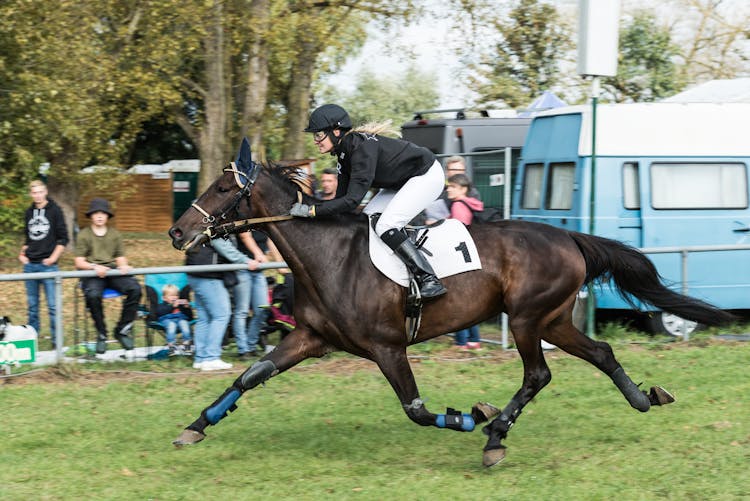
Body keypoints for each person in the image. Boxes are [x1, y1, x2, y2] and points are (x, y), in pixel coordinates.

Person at [291, 103, 446, 299]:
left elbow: (352, 201)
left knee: (386, 225)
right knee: (367, 220)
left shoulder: (361, 149)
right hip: (402, 182)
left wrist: (312, 211)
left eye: (319, 134)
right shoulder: (344, 153)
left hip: (427, 175)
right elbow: (341, 202)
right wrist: (313, 212)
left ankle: (428, 278)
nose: (315, 140)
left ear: (336, 132)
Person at [73, 198, 141, 355]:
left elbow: (120, 257)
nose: (99, 216)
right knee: (93, 295)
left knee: (135, 288)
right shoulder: (84, 235)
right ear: (91, 216)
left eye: (103, 213)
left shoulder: (114, 234)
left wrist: (124, 265)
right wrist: (94, 267)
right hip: (92, 273)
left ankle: (122, 330)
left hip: (112, 271)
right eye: (96, 213)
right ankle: (101, 334)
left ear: (107, 216)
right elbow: (79, 261)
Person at [19, 180, 69, 348]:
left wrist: (53, 258)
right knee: (33, 307)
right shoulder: (28, 212)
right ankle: (32, 342)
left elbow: (63, 238)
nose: (37, 195)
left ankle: (57, 343)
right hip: (30, 266)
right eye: (34, 193)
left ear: (45, 192)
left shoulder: (55, 211)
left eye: (40, 192)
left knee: (53, 307)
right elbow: (28, 239)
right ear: (30, 194)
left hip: (49, 265)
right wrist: (22, 254)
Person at [212, 231, 268, 361]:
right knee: (241, 310)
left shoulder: (263, 221)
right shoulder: (244, 215)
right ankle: (243, 349)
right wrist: (258, 254)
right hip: (242, 268)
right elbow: (244, 235)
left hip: (258, 270)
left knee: (263, 309)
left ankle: (251, 344)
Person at [446, 173, 484, 349]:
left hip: (460, 257)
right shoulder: (470, 204)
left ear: (463, 189)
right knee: (470, 300)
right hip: (471, 254)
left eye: (452, 186)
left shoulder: (458, 206)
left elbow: (457, 232)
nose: (448, 189)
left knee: (459, 301)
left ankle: (461, 342)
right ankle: (474, 340)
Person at [185, 240, 234, 371]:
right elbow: (227, 250)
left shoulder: (198, 227)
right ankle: (211, 358)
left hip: (195, 272)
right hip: (209, 274)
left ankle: (200, 359)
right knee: (222, 315)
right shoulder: (216, 227)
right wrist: (246, 260)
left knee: (204, 318)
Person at [424, 156, 482, 224]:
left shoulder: (472, 192)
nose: (457, 173)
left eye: (460, 170)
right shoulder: (437, 190)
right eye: (453, 169)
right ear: (447, 172)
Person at [154, 284, 193, 355]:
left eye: (176, 295)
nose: (174, 297)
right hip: (167, 320)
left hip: (180, 320)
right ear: (164, 298)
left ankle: (187, 344)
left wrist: (186, 307)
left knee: (185, 324)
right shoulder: (161, 305)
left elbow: (189, 317)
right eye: (171, 295)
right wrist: (172, 306)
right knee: (172, 325)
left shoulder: (181, 305)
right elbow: (159, 312)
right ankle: (171, 346)